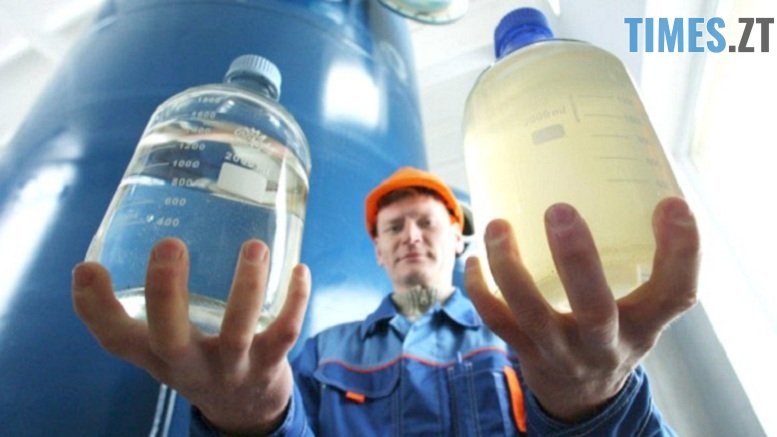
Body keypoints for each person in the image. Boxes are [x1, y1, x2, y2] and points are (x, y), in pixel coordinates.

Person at [72, 167, 700, 436]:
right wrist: (246, 414)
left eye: (427, 222)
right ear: (377, 251)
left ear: (457, 239)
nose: (410, 237)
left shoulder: (532, 338)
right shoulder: (317, 356)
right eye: (393, 228)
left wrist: (597, 401)